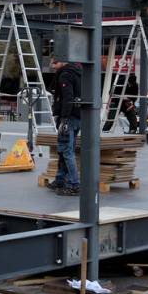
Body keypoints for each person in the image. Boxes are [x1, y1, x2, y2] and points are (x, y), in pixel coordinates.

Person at [49, 57, 82, 196]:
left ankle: (74, 184)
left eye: (55, 62)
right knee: (65, 150)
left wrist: (64, 118)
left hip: (68, 118)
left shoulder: (65, 75)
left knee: (66, 151)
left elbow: (67, 98)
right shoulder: (78, 72)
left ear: (63, 61)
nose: (52, 66)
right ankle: (60, 179)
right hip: (78, 116)